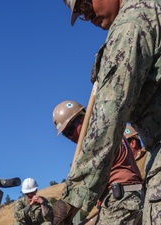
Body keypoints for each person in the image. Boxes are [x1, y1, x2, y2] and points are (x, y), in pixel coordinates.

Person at [53, 0, 161, 224]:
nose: (87, 15)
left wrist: (71, 200)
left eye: (84, 4)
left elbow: (109, 118)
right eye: (81, 13)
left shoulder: (129, 25)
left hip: (125, 197)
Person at [53, 100, 144, 225]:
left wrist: (61, 210)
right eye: (65, 134)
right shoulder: (104, 129)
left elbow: (84, 184)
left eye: (70, 130)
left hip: (121, 202)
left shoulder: (97, 136)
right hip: (125, 200)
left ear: (83, 118)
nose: (70, 137)